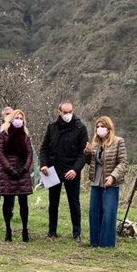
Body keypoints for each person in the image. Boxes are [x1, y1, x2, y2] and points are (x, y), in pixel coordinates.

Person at [39, 102, 88, 242]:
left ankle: (76, 233)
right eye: (65, 112)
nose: (68, 115)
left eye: (70, 112)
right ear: (59, 112)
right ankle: (52, 230)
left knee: (74, 203)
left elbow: (83, 153)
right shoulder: (52, 127)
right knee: (53, 202)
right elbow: (44, 148)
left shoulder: (81, 128)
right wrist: (44, 165)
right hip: (54, 170)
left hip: (72, 170)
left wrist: (75, 169)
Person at [84, 116, 127, 247]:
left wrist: (113, 176)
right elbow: (89, 163)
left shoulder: (118, 141)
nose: (100, 129)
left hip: (110, 182)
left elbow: (123, 163)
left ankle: (107, 243)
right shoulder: (95, 143)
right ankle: (94, 242)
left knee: (109, 212)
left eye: (102, 126)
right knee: (94, 211)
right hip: (96, 181)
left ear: (109, 128)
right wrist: (87, 153)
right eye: (98, 126)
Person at [0, 109, 34, 242]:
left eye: (21, 118)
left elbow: (30, 153)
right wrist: (10, 169)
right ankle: (8, 230)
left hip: (22, 171)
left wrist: (25, 168)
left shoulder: (25, 135)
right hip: (8, 172)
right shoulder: (3, 134)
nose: (19, 120)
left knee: (24, 202)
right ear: (11, 119)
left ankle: (25, 230)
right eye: (16, 118)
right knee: (7, 201)